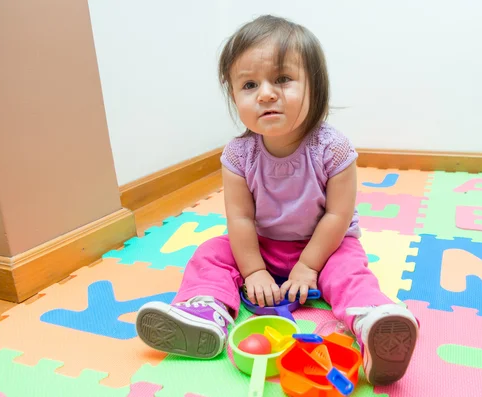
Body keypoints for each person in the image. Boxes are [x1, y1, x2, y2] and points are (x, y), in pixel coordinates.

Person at [136, 14, 419, 385]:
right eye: (249, 84)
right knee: (211, 254)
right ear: (234, 95)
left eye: (283, 79)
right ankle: (205, 313)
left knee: (349, 271)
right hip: (263, 245)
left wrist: (308, 265)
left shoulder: (332, 149)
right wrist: (253, 270)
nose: (266, 93)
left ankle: (372, 320)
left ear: (314, 87)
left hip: (326, 245)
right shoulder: (238, 156)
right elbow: (239, 220)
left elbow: (337, 215)